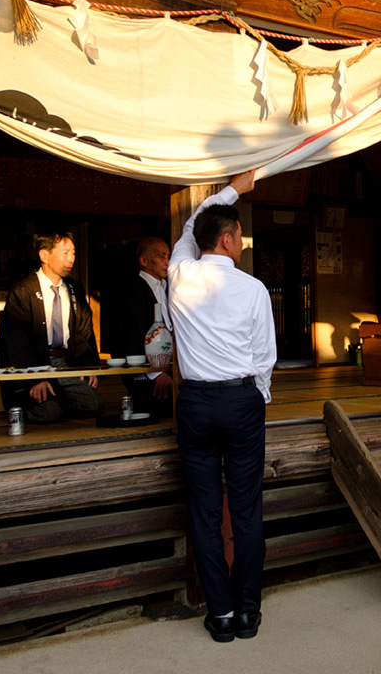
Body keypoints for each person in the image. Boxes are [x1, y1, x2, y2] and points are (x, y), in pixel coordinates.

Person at [168, 170, 276, 643]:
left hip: (193, 402)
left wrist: (234, 189)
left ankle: (221, 614)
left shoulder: (178, 274)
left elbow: (193, 226)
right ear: (229, 239)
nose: (242, 244)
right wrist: (257, 398)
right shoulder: (252, 289)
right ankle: (249, 612)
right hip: (240, 400)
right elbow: (264, 357)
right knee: (248, 509)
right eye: (239, 237)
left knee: (205, 512)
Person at [0, 231, 103, 424]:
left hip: (65, 361)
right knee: (48, 413)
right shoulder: (23, 291)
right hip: (36, 363)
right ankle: (47, 401)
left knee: (93, 404)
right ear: (44, 255)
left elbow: (84, 331)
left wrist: (87, 367)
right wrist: (34, 378)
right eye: (65, 253)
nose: (71, 258)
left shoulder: (74, 288)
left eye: (73, 253)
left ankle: (56, 399)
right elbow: (17, 341)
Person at [104, 237, 173, 418]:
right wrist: (156, 372)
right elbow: (136, 333)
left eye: (168, 256)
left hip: (167, 365)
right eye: (162, 256)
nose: (167, 261)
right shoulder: (133, 290)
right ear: (144, 261)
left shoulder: (166, 287)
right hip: (146, 371)